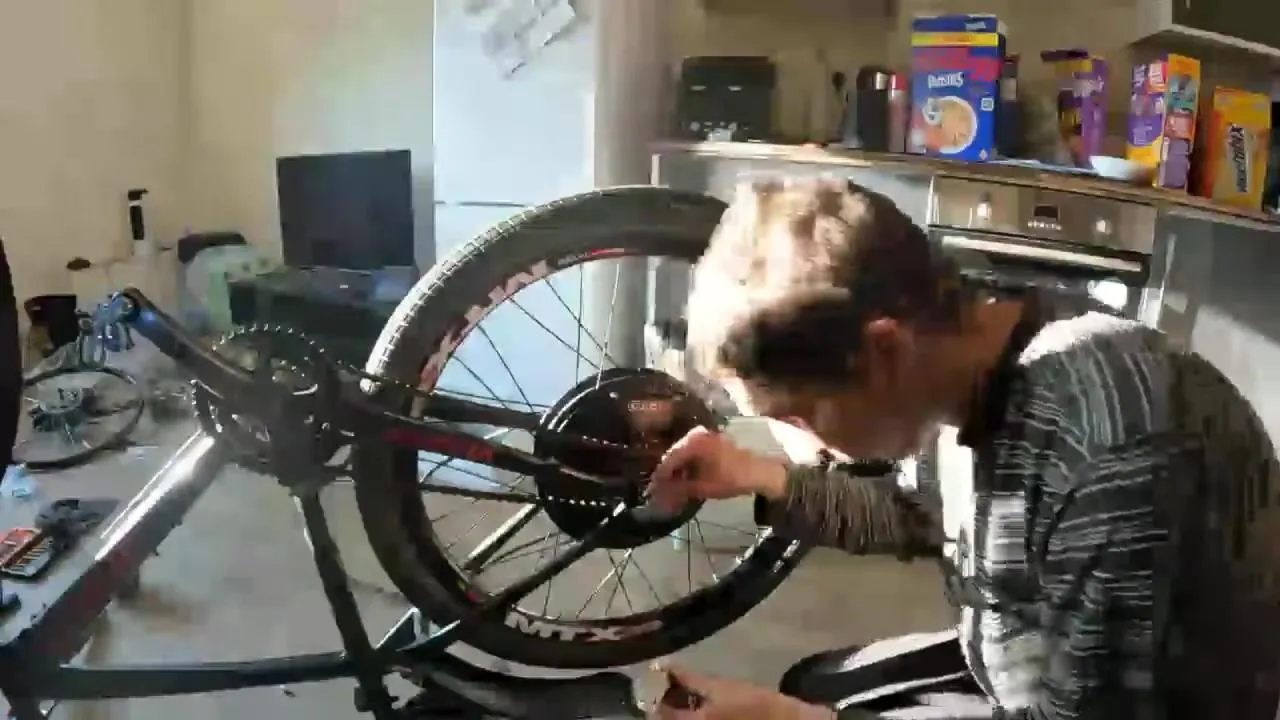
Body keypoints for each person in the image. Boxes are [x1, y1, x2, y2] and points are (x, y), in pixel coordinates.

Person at [648, 177, 1280, 719]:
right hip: (1023, 653)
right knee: (816, 683)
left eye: (799, 414)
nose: (802, 445)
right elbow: (920, 514)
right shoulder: (961, 357)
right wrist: (756, 475)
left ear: (883, 350)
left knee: (803, 703)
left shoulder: (1111, 458)